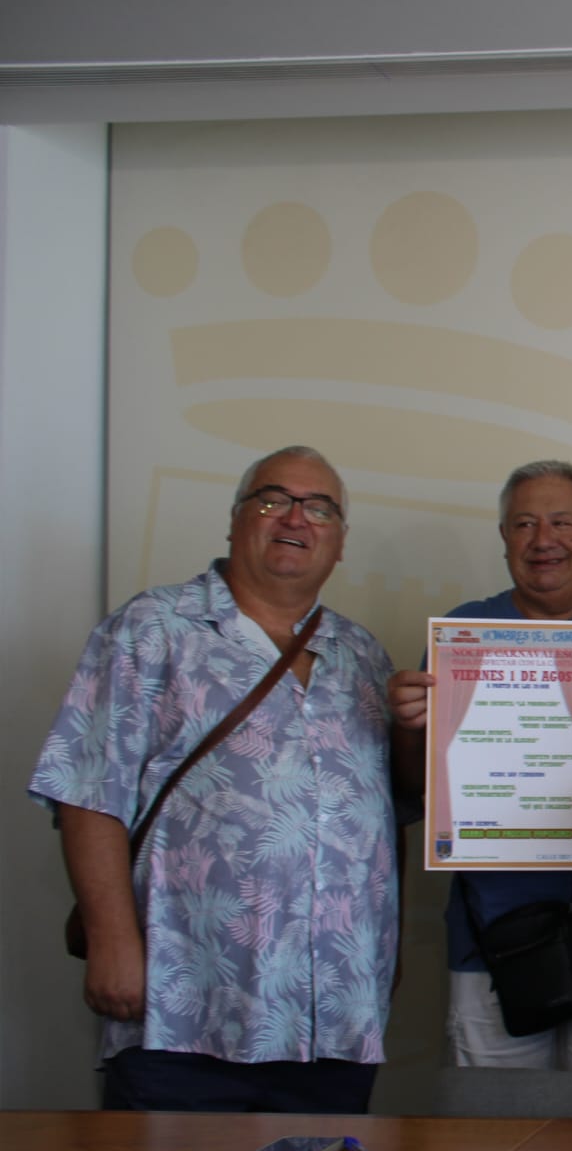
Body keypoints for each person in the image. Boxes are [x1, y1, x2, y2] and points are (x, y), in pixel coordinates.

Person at [30, 446, 411, 1112]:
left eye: (319, 507)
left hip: (335, 1014)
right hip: (185, 1006)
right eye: (273, 499)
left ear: (340, 540)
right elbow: (89, 792)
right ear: (236, 520)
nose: (296, 517)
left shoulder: (362, 653)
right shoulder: (152, 629)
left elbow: (388, 809)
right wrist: (114, 941)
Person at [388, 461, 572, 1074]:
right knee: (492, 1142)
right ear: (503, 538)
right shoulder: (463, 632)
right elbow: (417, 791)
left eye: (561, 522)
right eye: (523, 523)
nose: (543, 540)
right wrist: (409, 727)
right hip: (493, 933)